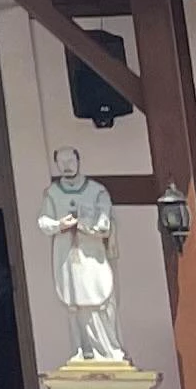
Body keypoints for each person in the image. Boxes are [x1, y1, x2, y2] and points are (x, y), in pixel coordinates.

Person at [39, 151, 125, 364]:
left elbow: (105, 222)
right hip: (67, 256)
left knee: (98, 297)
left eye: (70, 161)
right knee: (73, 302)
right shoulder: (52, 193)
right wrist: (60, 224)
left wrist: (88, 225)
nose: (66, 166)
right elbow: (44, 222)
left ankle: (108, 350)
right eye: (61, 163)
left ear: (79, 161)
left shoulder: (96, 191)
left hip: (92, 254)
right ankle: (81, 350)